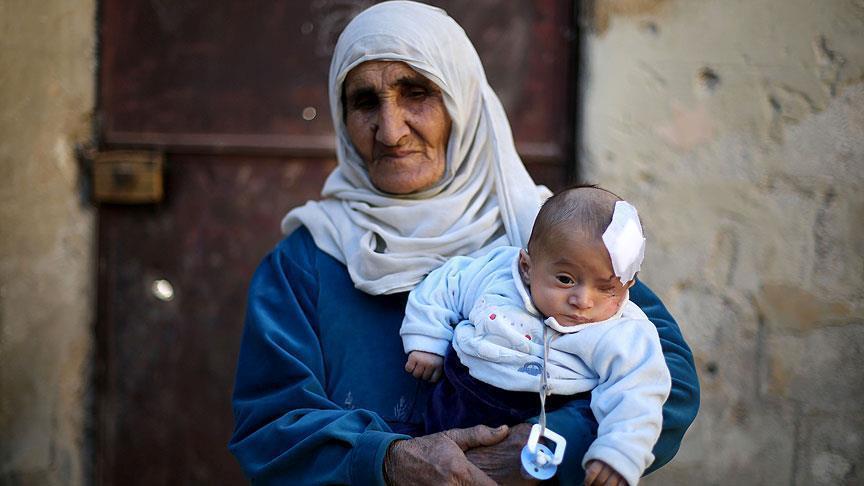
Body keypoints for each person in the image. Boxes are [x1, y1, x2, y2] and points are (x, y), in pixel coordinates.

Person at [228, 2, 700, 485]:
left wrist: (543, 445)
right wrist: (387, 462)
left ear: (464, 101)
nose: (390, 132)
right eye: (366, 102)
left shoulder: (547, 234)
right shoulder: (305, 262)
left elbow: (671, 381)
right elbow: (271, 427)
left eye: (417, 94)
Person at [401, 185, 670, 486]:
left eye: (605, 288)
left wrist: (619, 452)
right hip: (457, 399)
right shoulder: (497, 275)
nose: (582, 300)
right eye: (565, 279)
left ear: (627, 285)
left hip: (539, 411)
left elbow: (638, 391)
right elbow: (445, 284)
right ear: (527, 267)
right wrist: (427, 339)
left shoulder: (622, 331)